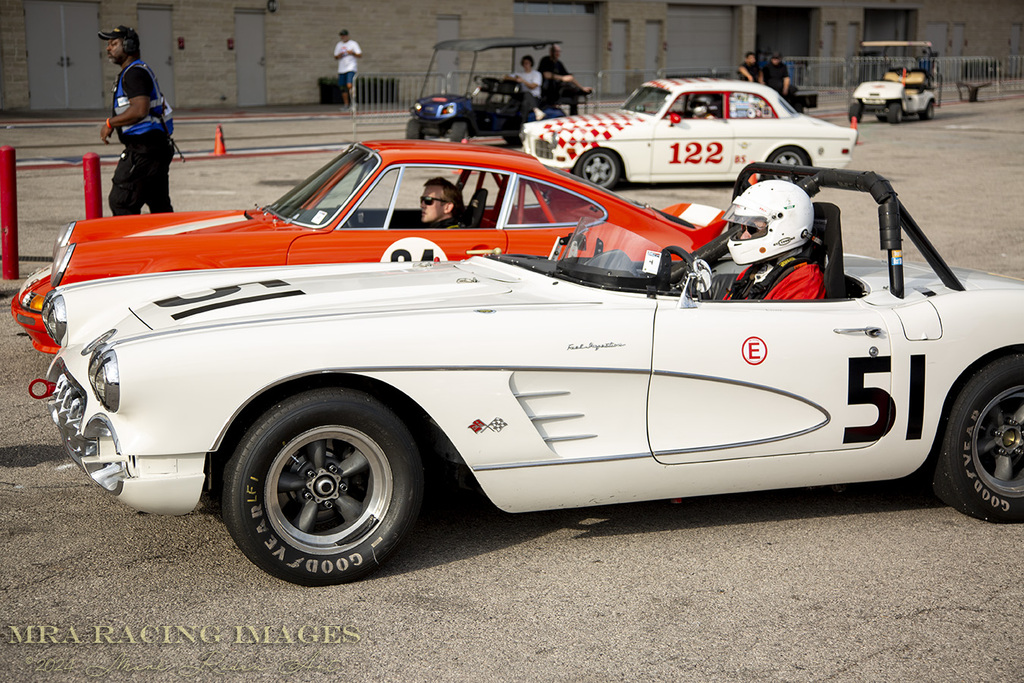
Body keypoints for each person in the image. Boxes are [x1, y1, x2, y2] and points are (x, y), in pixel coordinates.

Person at [98, 25, 175, 216]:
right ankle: (167, 244)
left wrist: (110, 123)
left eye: (114, 43)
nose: (109, 48)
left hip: (144, 150)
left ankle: (131, 245)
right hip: (154, 148)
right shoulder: (136, 71)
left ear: (130, 45)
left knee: (121, 202)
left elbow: (140, 109)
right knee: (159, 207)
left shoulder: (134, 73)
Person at [722, 180, 825, 301]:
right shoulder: (754, 271)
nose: (744, 236)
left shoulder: (805, 280)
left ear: (785, 227)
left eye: (753, 228)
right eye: (743, 227)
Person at [538, 44, 592, 115]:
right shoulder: (545, 60)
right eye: (556, 51)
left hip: (559, 90)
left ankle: (574, 115)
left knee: (574, 93)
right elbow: (546, 74)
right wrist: (562, 78)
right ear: (551, 52)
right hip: (547, 91)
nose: (557, 54)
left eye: (559, 52)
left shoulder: (559, 63)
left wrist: (582, 88)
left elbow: (569, 77)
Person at [506, 54, 546, 121]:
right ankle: (535, 111)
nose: (526, 65)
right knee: (521, 98)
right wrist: (515, 79)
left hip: (534, 97)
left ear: (531, 64)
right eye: (524, 63)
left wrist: (523, 81)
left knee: (526, 100)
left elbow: (533, 86)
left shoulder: (536, 74)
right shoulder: (520, 74)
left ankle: (525, 120)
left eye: (527, 63)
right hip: (523, 96)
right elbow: (506, 77)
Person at [333, 29, 362, 109]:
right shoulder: (339, 45)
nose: (343, 37)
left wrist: (351, 53)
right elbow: (335, 56)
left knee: (349, 85)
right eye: (342, 36)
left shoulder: (353, 44)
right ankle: (346, 104)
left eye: (344, 35)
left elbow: (359, 55)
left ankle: (354, 102)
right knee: (342, 87)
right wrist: (340, 55)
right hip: (342, 68)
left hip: (351, 67)